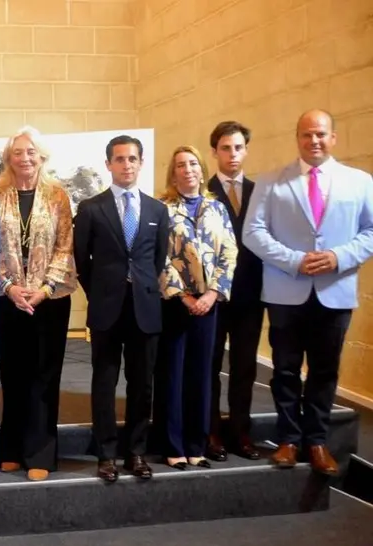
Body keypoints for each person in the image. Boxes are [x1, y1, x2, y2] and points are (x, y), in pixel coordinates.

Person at [243, 109, 373, 476]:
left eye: (320, 134)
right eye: (306, 135)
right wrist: (293, 260)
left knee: (324, 371)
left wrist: (337, 256)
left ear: (333, 138)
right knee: (284, 369)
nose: (313, 141)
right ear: (297, 138)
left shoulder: (360, 182)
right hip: (286, 290)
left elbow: (371, 231)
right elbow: (253, 232)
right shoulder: (271, 182)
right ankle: (288, 440)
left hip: (335, 290)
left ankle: (316, 441)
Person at [73, 135, 169, 483]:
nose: (126, 164)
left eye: (132, 159)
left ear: (140, 163)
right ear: (108, 164)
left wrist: (141, 286)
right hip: (107, 308)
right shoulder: (91, 208)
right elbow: (82, 260)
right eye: (119, 159)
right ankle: (107, 453)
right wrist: (99, 292)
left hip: (145, 307)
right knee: (104, 381)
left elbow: (158, 259)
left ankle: (136, 451)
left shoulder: (158, 210)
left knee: (142, 384)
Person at [0, 126, 76, 481]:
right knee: (12, 375)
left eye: (31, 152)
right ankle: (10, 447)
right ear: (8, 157)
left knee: (44, 375)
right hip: (7, 298)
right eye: (17, 152)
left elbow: (65, 247)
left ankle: (40, 450)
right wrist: (10, 287)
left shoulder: (58, 196)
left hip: (49, 300)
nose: (24, 158)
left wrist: (43, 288)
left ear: (42, 156)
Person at [157, 146, 237, 471]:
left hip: (209, 304)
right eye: (180, 165)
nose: (187, 169)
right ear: (172, 173)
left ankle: (196, 444)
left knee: (202, 375)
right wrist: (184, 296)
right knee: (173, 375)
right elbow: (158, 257)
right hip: (176, 304)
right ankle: (173, 445)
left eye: (192, 164)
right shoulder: (162, 209)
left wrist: (214, 292)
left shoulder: (217, 208)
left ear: (202, 170)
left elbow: (229, 252)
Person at [206, 121, 264, 461]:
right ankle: (210, 429)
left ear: (246, 150)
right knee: (210, 365)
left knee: (245, 367)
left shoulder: (261, 193)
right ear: (215, 152)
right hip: (213, 296)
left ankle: (241, 431)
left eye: (238, 147)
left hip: (251, 296)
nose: (232, 154)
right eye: (226, 148)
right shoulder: (204, 192)